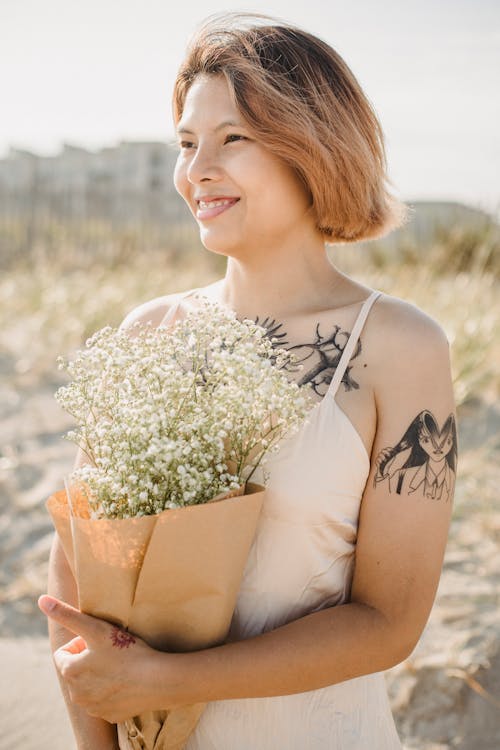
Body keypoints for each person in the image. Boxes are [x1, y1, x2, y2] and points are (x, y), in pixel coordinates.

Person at [39, 12, 456, 749]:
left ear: (315, 149)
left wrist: (174, 682)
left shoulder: (401, 346)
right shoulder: (149, 335)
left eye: (233, 139)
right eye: (187, 143)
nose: (197, 169)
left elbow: (389, 623)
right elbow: (76, 578)